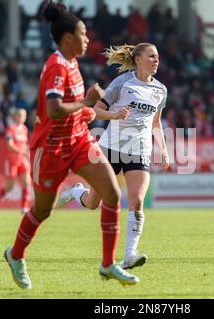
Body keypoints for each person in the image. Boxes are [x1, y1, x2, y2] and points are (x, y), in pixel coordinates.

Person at [4, 1, 139, 290]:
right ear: (68, 38)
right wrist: (87, 102)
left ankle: (107, 264)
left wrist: (88, 112)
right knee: (42, 211)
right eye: (83, 33)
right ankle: (15, 255)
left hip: (78, 140)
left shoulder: (73, 64)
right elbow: (54, 110)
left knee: (112, 193)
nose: (87, 38)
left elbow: (74, 109)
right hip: (51, 148)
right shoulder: (56, 66)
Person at [56, 43, 170, 270]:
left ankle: (130, 255)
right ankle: (76, 192)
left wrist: (163, 149)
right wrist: (114, 115)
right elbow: (95, 110)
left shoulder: (161, 90)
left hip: (139, 150)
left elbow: (155, 122)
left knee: (137, 201)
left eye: (157, 56)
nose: (156, 60)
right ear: (138, 59)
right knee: (93, 202)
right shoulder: (122, 83)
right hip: (111, 147)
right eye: (151, 56)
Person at [0, 108, 31, 216]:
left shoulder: (25, 129)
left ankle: (24, 208)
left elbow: (25, 145)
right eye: (20, 115)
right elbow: (10, 145)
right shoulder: (10, 129)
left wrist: (27, 153)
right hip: (12, 160)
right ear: (15, 116)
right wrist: (22, 151)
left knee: (26, 183)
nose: (22, 117)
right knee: (9, 187)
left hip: (22, 160)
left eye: (24, 116)